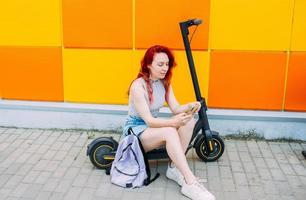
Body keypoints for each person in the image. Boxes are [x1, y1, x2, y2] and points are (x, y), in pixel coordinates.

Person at [122, 45, 215, 200]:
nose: (165, 68)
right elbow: (150, 121)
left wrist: (191, 106)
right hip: (135, 132)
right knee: (170, 130)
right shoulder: (138, 86)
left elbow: (176, 108)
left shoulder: (164, 82)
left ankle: (173, 168)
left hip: (152, 127)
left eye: (167, 64)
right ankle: (190, 182)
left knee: (188, 121)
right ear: (148, 64)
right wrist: (172, 123)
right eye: (160, 64)